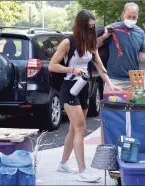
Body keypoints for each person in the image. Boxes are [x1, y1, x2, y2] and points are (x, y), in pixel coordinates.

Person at [48, 9, 121, 183]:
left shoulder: (91, 42)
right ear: (80, 26)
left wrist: (110, 84)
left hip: (83, 89)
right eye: (88, 27)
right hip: (69, 88)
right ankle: (83, 171)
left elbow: (99, 65)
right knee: (80, 128)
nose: (91, 30)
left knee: (75, 129)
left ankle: (63, 163)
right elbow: (52, 66)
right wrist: (72, 69)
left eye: (93, 26)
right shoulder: (67, 42)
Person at [97, 2, 145, 91]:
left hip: (134, 81)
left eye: (134, 17)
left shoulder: (140, 33)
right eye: (129, 16)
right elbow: (94, 46)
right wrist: (105, 35)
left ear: (137, 16)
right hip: (113, 80)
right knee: (112, 105)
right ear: (123, 14)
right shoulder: (113, 28)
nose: (131, 19)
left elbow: (141, 58)